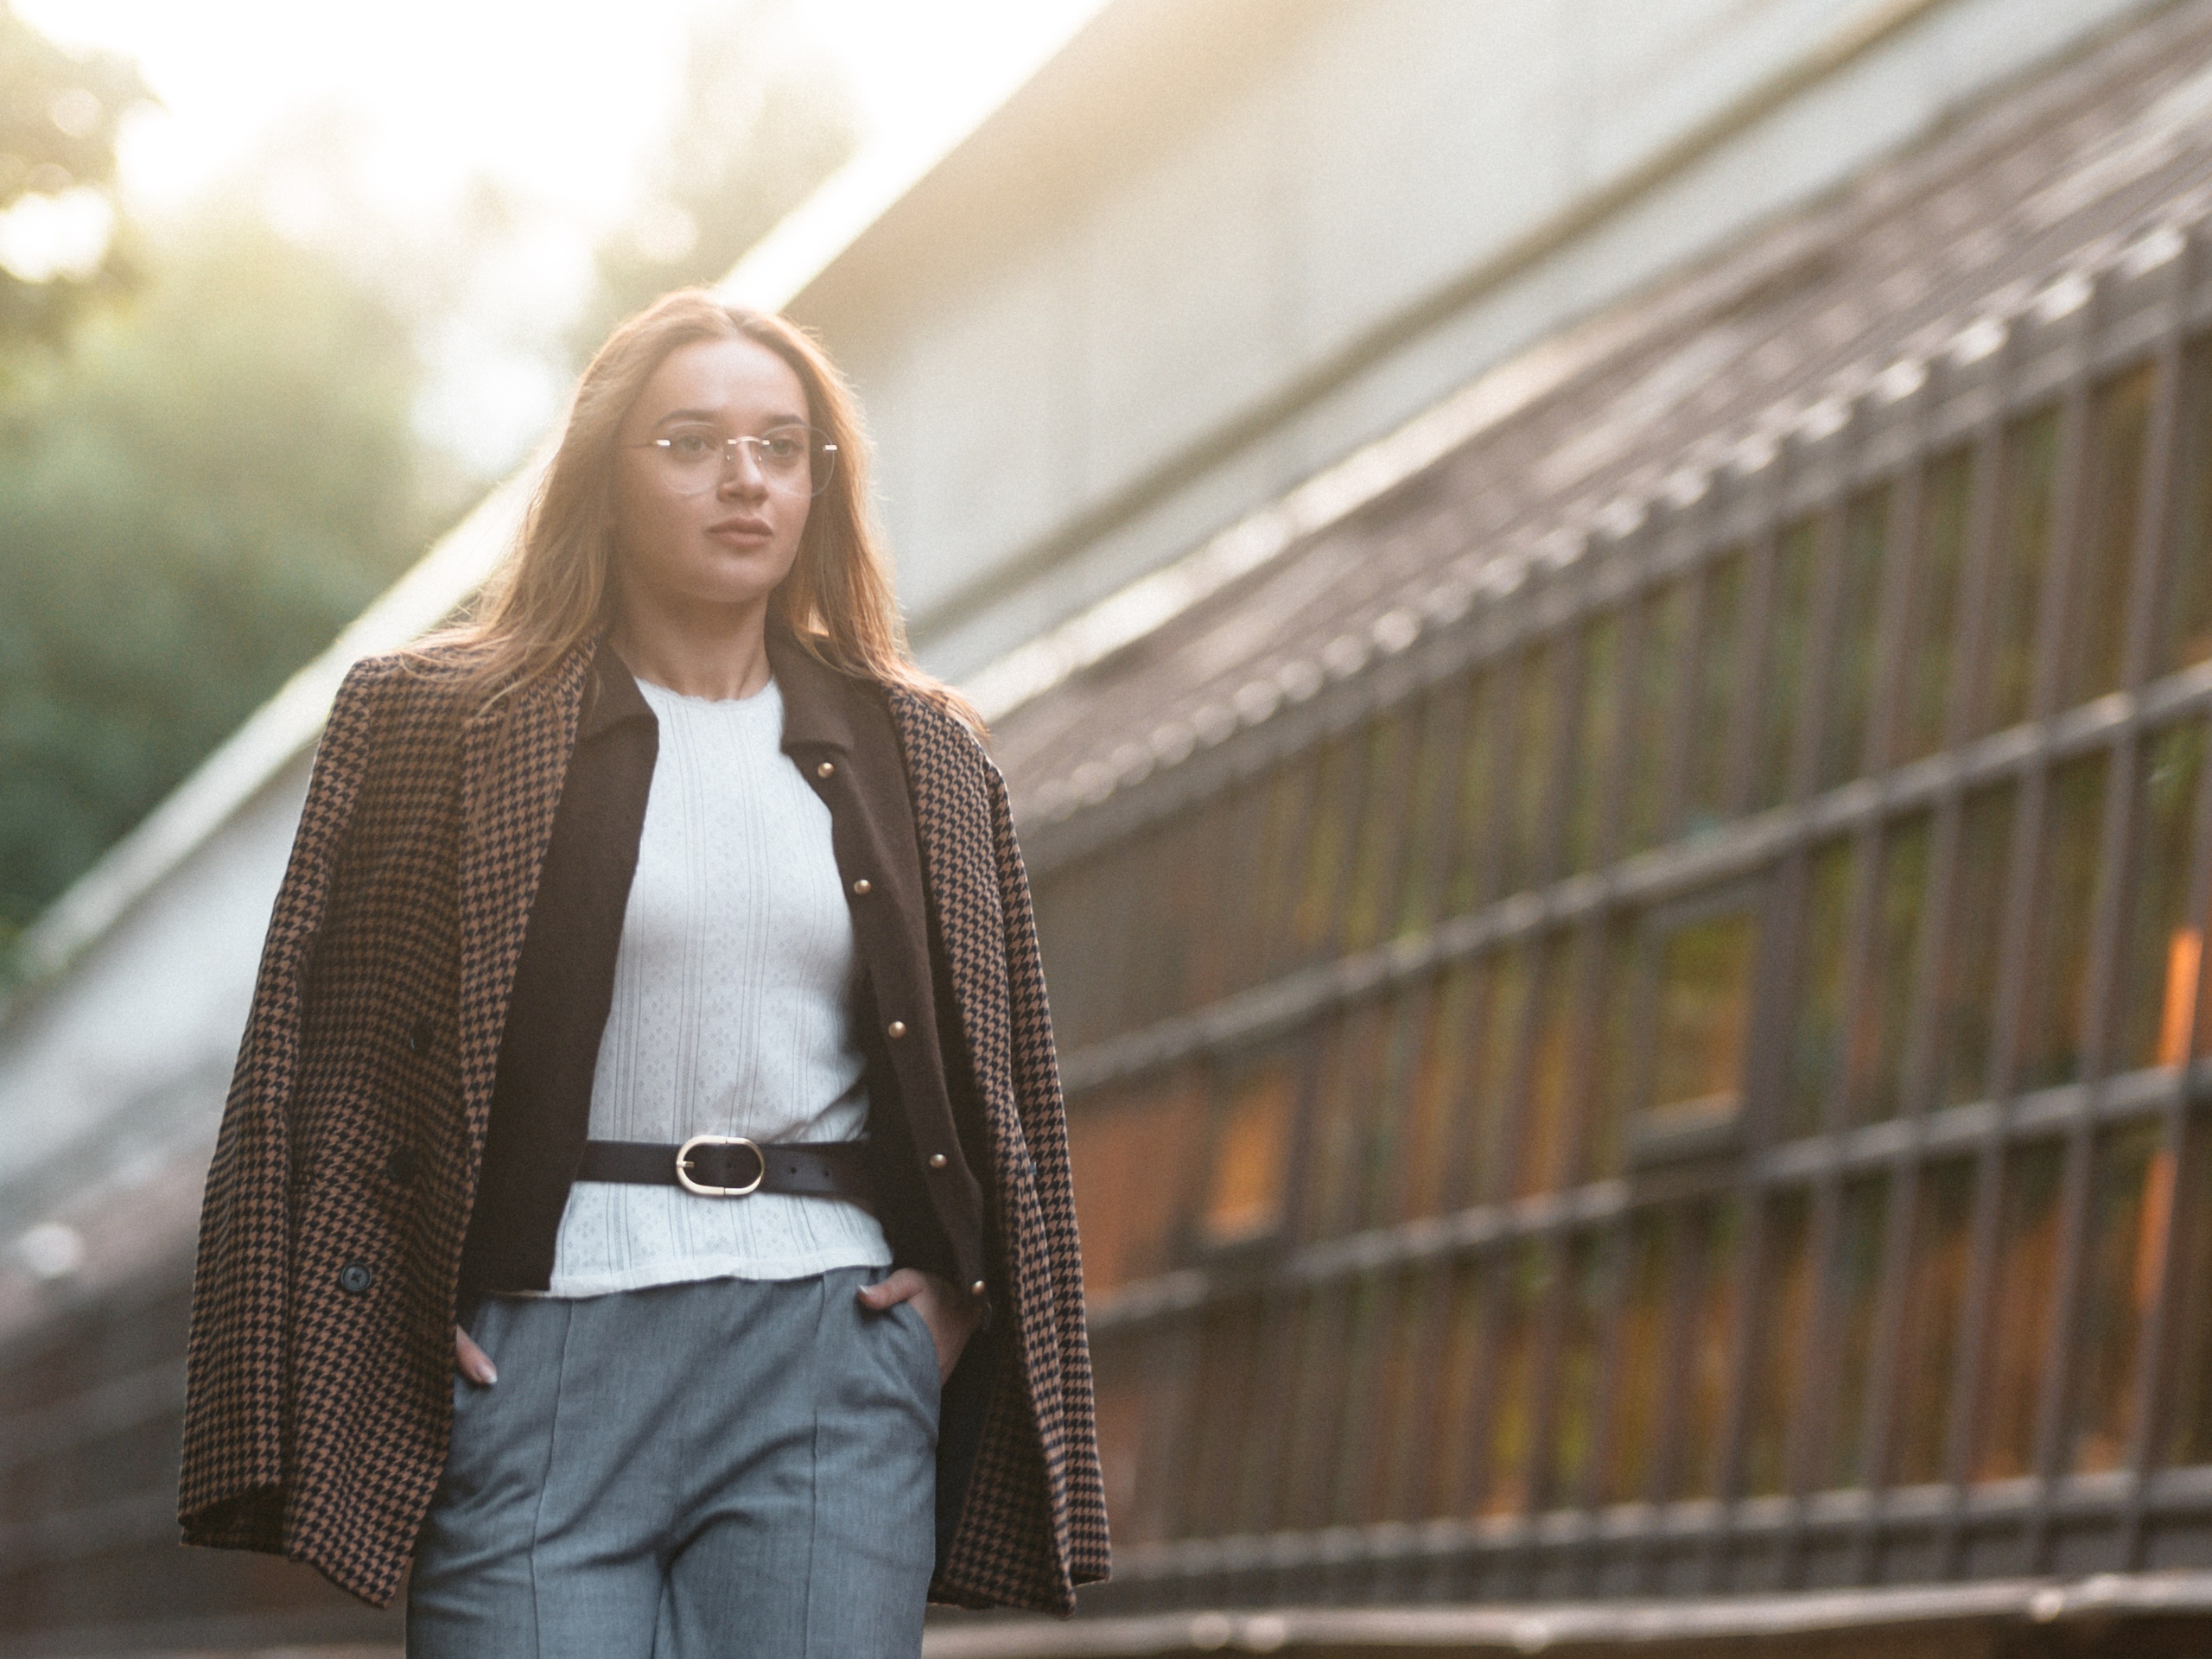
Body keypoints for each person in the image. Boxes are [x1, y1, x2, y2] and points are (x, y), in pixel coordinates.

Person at [177, 289, 1109, 1654]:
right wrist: (388, 1301)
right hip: (536, 1351)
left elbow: (1006, 1072)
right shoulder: (433, 723)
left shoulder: (930, 755)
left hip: (829, 1350)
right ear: (602, 479)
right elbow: (335, 1061)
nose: (745, 478)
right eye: (690, 441)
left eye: (782, 447)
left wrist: (953, 1295)